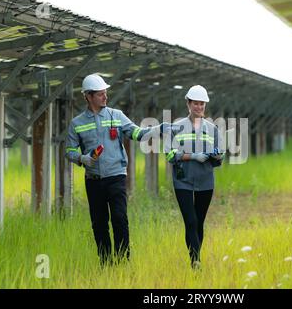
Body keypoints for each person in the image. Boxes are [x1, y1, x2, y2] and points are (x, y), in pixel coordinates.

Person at [65, 73, 174, 266]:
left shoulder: (117, 115)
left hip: (116, 177)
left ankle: (123, 261)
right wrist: (83, 158)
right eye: (100, 94)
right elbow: (69, 151)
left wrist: (157, 129)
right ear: (89, 97)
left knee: (120, 219)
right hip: (94, 180)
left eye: (105, 93)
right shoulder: (77, 124)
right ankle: (106, 263)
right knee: (99, 224)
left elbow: (137, 134)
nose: (105, 97)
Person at [165, 85, 224, 269]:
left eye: (202, 104)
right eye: (196, 103)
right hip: (182, 180)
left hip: (205, 181)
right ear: (188, 104)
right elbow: (168, 154)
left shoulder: (213, 129)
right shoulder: (176, 127)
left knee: (199, 222)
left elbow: (221, 156)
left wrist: (216, 155)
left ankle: (196, 258)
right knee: (190, 221)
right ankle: (195, 262)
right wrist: (192, 156)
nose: (199, 107)